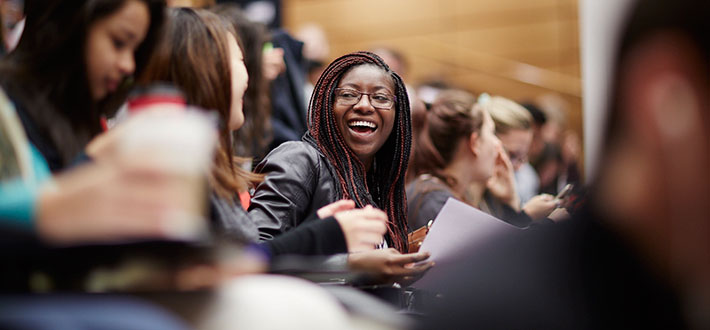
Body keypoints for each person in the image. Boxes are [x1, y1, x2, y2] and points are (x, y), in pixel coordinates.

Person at [418, 0, 710, 328]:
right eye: (504, 148)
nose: (512, 161)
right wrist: (521, 212)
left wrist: (514, 207)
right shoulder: (494, 305)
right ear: (668, 102)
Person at [136, 8, 387, 256]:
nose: (248, 75)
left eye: (381, 98)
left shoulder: (211, 165)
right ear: (205, 72)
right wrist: (322, 235)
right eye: (240, 60)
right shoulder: (168, 166)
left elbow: (248, 255)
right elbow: (225, 269)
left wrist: (315, 225)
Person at [249, 51, 432, 278]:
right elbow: (252, 255)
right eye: (348, 94)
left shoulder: (376, 181)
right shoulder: (299, 158)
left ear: (398, 116)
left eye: (381, 98)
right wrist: (351, 264)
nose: (364, 105)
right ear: (328, 104)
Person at [407, 90, 555, 232]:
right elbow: (497, 256)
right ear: (475, 143)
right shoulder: (436, 202)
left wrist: (510, 201)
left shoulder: (445, 196)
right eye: (491, 133)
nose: (497, 145)